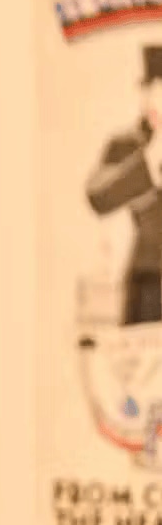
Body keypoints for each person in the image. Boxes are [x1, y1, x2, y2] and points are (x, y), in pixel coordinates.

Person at [86, 47, 162, 326]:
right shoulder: (126, 145)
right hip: (147, 282)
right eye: (151, 90)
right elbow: (98, 196)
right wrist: (150, 158)